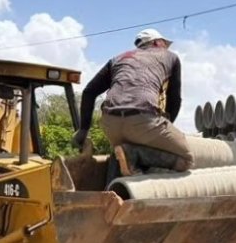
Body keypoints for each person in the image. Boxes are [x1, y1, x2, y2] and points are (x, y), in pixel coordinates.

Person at [72, 28, 194, 175]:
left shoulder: (117, 59)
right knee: (187, 159)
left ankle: (115, 183)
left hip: (110, 123)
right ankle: (135, 154)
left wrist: (83, 130)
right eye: (164, 43)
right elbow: (175, 99)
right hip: (143, 120)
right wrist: (166, 126)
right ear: (156, 42)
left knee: (120, 154)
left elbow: (89, 92)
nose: (166, 47)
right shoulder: (171, 57)